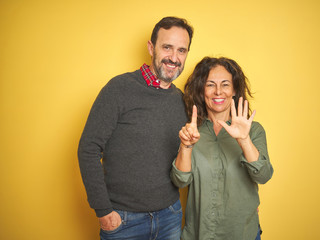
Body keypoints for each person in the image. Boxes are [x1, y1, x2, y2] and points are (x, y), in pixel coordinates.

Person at [78, 16, 194, 240]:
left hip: (169, 216)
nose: (174, 57)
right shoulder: (119, 88)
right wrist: (103, 211)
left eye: (182, 50)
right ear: (151, 48)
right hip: (123, 221)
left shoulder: (181, 100)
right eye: (167, 47)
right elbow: (88, 148)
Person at [170, 57, 274, 240]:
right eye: (210, 84)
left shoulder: (254, 130)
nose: (218, 91)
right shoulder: (191, 131)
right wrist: (186, 146)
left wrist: (244, 140)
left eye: (225, 84)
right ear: (202, 91)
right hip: (199, 233)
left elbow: (263, 175)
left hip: (242, 234)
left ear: (234, 89)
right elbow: (180, 181)